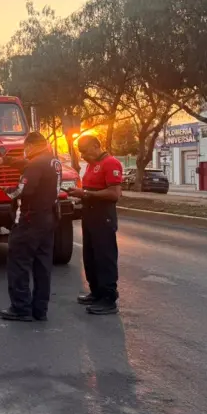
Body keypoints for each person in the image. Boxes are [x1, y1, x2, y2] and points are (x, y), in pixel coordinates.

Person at [0, 132, 62, 322]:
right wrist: (6, 160)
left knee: (19, 263)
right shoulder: (53, 162)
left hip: (30, 221)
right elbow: (27, 166)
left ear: (30, 146)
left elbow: (23, 189)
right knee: (42, 265)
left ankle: (21, 307)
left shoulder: (35, 164)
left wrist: (6, 190)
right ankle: (40, 309)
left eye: (26, 149)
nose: (25, 153)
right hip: (49, 219)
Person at [67, 135, 123, 315]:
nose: (83, 156)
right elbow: (90, 190)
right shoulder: (91, 165)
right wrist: (81, 194)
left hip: (103, 216)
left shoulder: (111, 163)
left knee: (104, 257)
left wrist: (86, 194)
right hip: (89, 214)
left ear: (96, 146)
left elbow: (114, 194)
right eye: (80, 152)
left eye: (85, 151)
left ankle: (108, 298)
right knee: (90, 256)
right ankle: (96, 292)